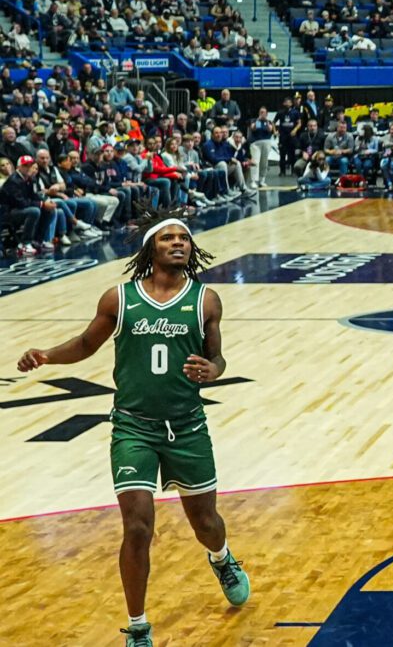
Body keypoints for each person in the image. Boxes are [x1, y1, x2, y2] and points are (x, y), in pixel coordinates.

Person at [15, 209, 250, 647]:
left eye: (184, 238)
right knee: (138, 528)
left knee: (206, 524)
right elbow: (86, 344)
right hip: (133, 428)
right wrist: (46, 355)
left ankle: (221, 558)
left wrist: (213, 370)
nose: (178, 243)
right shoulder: (119, 299)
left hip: (187, 427)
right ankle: (138, 626)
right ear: (150, 249)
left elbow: (216, 356)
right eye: (168, 238)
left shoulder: (206, 300)